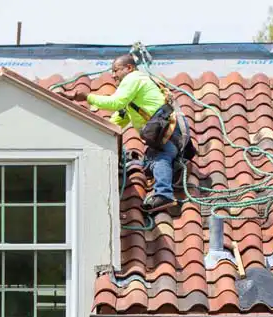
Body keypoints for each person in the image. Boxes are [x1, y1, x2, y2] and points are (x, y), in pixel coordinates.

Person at [68, 54, 192, 212]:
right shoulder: (134, 91)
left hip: (169, 130)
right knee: (148, 163)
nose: (113, 75)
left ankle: (164, 195)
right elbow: (120, 117)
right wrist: (96, 133)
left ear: (129, 68)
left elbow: (115, 103)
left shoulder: (133, 78)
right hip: (170, 131)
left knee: (160, 157)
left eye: (116, 71)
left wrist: (88, 97)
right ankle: (172, 170)